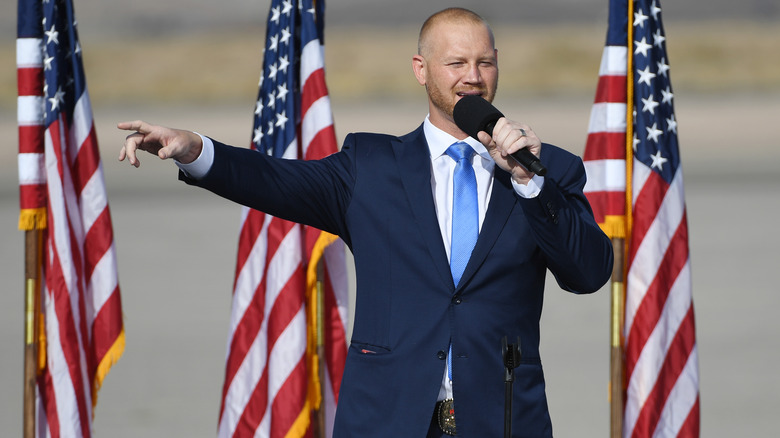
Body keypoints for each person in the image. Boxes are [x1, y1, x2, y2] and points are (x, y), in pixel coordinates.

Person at [119, 7, 613, 438]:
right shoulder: (372, 166)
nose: (473, 76)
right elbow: (274, 179)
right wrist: (195, 150)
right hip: (387, 418)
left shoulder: (549, 170)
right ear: (421, 70)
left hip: (503, 419)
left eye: (484, 62)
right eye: (456, 62)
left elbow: (588, 272)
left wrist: (528, 181)